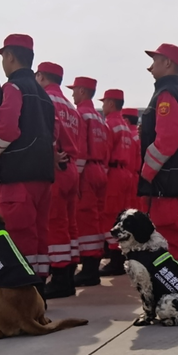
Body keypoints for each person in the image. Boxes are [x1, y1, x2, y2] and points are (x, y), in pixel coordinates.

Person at [0, 34, 55, 298]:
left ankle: (22, 293)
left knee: (18, 236)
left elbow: (6, 129)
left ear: (10, 56)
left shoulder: (13, 87)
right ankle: (38, 290)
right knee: (39, 235)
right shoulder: (43, 94)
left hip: (18, 176)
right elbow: (53, 133)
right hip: (42, 175)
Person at [139, 43, 178, 278]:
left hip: (168, 180)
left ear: (168, 63)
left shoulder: (166, 94)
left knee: (171, 236)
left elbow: (168, 138)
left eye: (155, 60)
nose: (150, 67)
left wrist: (147, 172)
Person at [35, 62, 82, 299]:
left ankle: (60, 277)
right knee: (69, 223)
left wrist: (50, 154)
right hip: (71, 167)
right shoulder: (71, 106)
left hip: (56, 166)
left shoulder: (45, 99)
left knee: (54, 224)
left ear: (41, 76)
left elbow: (48, 130)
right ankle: (69, 273)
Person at [68, 76, 110, 287]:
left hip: (86, 171)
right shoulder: (100, 118)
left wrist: (75, 175)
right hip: (100, 169)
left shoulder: (81, 114)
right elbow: (107, 149)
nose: (73, 94)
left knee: (85, 220)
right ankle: (92, 265)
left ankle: (89, 270)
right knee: (96, 219)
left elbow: (81, 147)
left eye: (75, 90)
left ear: (82, 91)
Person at [98, 88, 133, 277]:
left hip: (113, 173)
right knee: (121, 217)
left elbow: (105, 151)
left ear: (111, 103)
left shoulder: (110, 124)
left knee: (109, 216)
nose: (103, 106)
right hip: (125, 173)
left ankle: (116, 260)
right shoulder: (124, 125)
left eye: (104, 102)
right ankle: (121, 256)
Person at [122, 107, 142, 210]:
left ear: (126, 121)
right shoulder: (140, 136)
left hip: (131, 178)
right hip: (141, 177)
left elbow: (129, 163)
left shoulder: (129, 137)